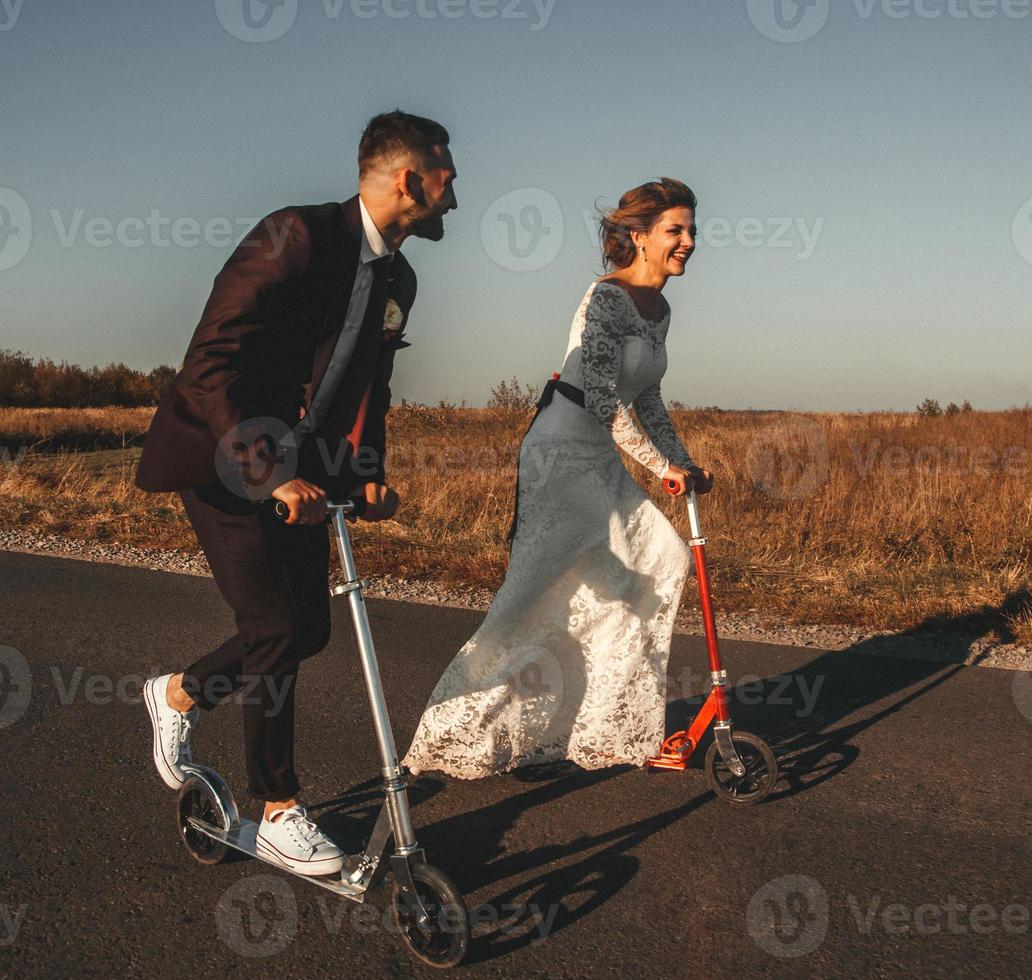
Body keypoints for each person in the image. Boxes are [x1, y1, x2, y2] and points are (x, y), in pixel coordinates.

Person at [134, 111, 457, 875]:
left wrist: (366, 472)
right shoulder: (296, 235)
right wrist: (268, 471)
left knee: (306, 630)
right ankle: (278, 808)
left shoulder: (399, 277)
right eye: (448, 174)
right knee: (273, 624)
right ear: (410, 180)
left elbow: (368, 384)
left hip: (301, 468)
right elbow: (208, 363)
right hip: (221, 453)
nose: (455, 191)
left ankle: (179, 694)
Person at [401, 177, 712, 779]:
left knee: (662, 564)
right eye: (676, 230)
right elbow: (600, 396)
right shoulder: (606, 299)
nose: (689, 242)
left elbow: (645, 399)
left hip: (600, 459)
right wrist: (658, 466)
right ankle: (452, 728)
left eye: (693, 230)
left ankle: (606, 725)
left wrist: (683, 461)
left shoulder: (660, 309)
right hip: (560, 455)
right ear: (640, 237)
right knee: (534, 599)